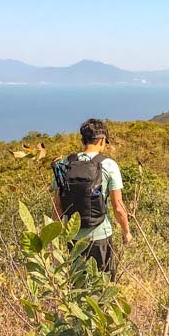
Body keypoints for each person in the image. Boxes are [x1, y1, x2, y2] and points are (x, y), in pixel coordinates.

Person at [51, 118, 132, 279]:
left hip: (73, 237)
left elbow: (57, 205)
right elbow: (118, 206)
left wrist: (53, 243)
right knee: (102, 287)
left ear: (83, 140)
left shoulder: (66, 163)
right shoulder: (109, 165)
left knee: (78, 287)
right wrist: (126, 231)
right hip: (100, 236)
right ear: (102, 140)